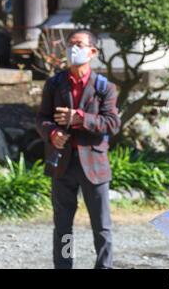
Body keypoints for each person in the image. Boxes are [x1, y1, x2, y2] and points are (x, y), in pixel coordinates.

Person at [36, 29, 121, 269]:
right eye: (70, 44)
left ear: (92, 51)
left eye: (79, 44)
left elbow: (112, 123)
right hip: (62, 162)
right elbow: (41, 118)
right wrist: (52, 133)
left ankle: (104, 267)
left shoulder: (105, 87)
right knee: (63, 225)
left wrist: (80, 118)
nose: (73, 49)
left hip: (94, 164)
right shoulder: (54, 83)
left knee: (101, 225)